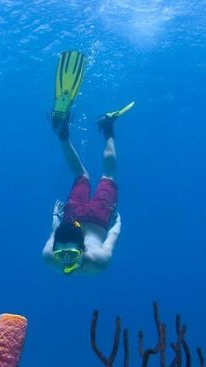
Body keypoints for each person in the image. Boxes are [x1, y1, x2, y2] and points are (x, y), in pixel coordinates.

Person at [42, 51, 132, 275]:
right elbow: (55, 234)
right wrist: (56, 218)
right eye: (64, 255)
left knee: (103, 176)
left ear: (82, 249)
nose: (65, 261)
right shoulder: (92, 261)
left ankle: (105, 129)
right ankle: (69, 136)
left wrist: (116, 223)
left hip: (97, 218)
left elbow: (112, 236)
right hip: (77, 216)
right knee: (83, 175)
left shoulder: (95, 262)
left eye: (69, 255)